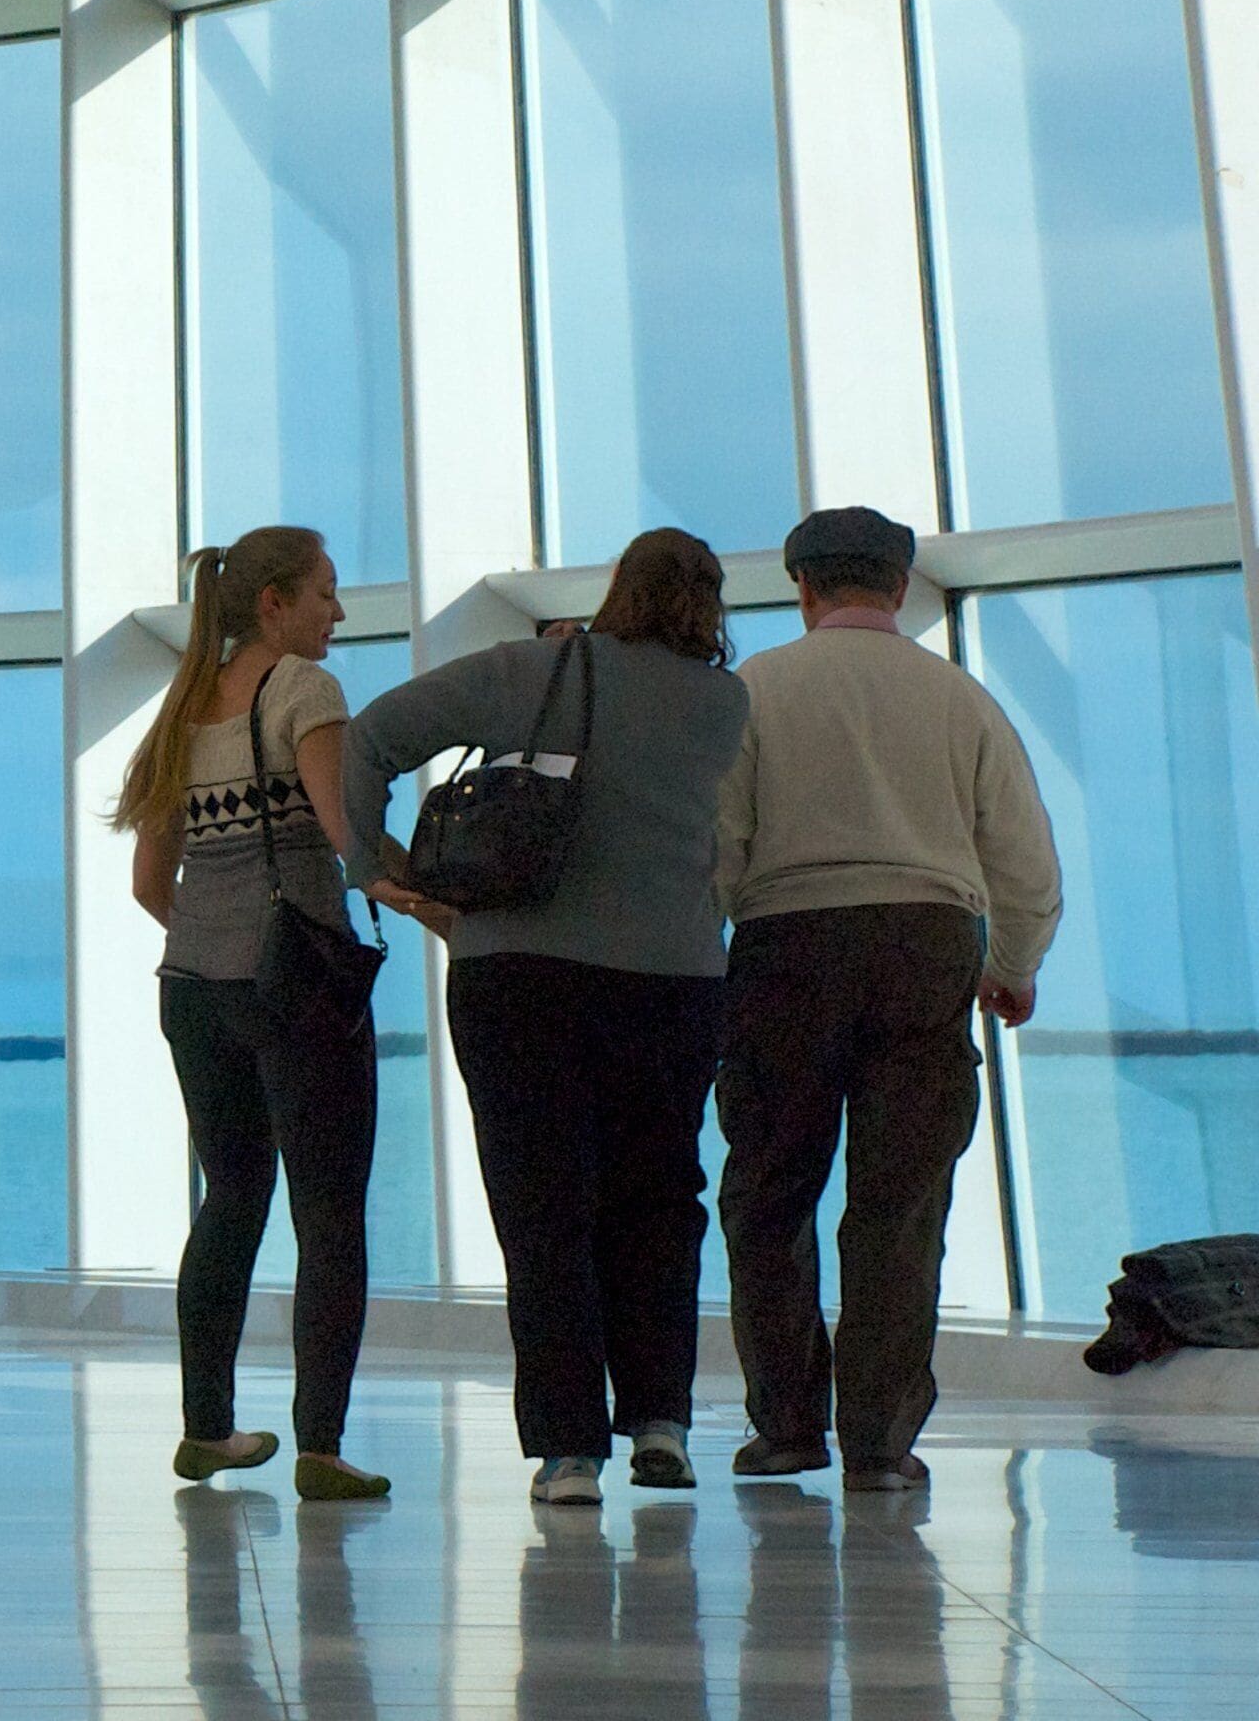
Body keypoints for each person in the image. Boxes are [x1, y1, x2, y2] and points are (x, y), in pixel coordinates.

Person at [343, 528, 753, 1505]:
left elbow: (367, 742)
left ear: (618, 588)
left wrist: (376, 868)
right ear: (709, 605)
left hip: (517, 969)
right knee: (661, 1200)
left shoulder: (525, 670)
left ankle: (569, 1453)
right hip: (673, 980)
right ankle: (662, 1423)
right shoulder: (726, 700)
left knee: (542, 1208)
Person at [713, 505, 1063, 1493]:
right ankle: (878, 1441)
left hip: (784, 947)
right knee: (900, 1205)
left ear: (802, 587)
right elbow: (1024, 860)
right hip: (926, 945)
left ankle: (786, 1426)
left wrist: (708, 957)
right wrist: (1014, 963)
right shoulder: (960, 697)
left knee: (769, 1191)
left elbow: (719, 846)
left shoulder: (754, 689)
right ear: (900, 586)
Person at [112, 526, 412, 1503]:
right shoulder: (303, 691)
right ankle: (320, 1448)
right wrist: (443, 906)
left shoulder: (182, 707)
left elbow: (150, 882)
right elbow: (348, 834)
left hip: (194, 987)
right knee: (330, 1213)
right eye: (326, 592)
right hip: (296, 987)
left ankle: (207, 1431)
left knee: (232, 1196)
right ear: (274, 603)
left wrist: (221, 935)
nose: (339, 612)